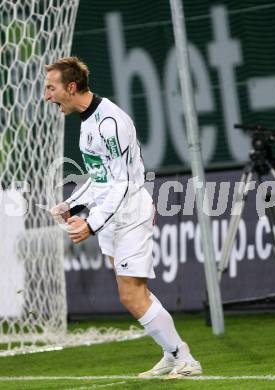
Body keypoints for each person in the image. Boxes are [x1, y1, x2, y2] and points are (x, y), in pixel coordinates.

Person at [44, 56, 202, 379]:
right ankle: (172, 353)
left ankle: (184, 357)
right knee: (134, 291)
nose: (47, 95)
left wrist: (91, 222)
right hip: (111, 214)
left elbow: (124, 183)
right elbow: (100, 178)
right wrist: (71, 205)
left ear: (71, 87)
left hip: (128, 212)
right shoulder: (87, 123)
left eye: (51, 88)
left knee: (130, 294)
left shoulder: (109, 122)